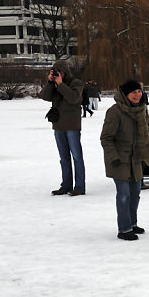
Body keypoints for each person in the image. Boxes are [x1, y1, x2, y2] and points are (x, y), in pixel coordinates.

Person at [100, 80, 149, 240]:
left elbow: (144, 133)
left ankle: (132, 223)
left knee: (135, 193)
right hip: (120, 160)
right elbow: (106, 138)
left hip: (136, 159)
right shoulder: (115, 112)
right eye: (133, 92)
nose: (137, 95)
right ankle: (124, 229)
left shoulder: (142, 110)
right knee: (124, 194)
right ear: (125, 94)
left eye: (139, 91)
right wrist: (114, 157)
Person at [39, 60, 86, 196]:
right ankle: (65, 185)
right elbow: (44, 96)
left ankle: (79, 186)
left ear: (64, 72)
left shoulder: (76, 83)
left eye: (58, 71)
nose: (56, 74)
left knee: (77, 157)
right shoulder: (54, 84)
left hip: (72, 126)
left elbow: (74, 98)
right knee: (63, 157)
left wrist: (60, 84)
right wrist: (50, 82)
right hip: (58, 125)